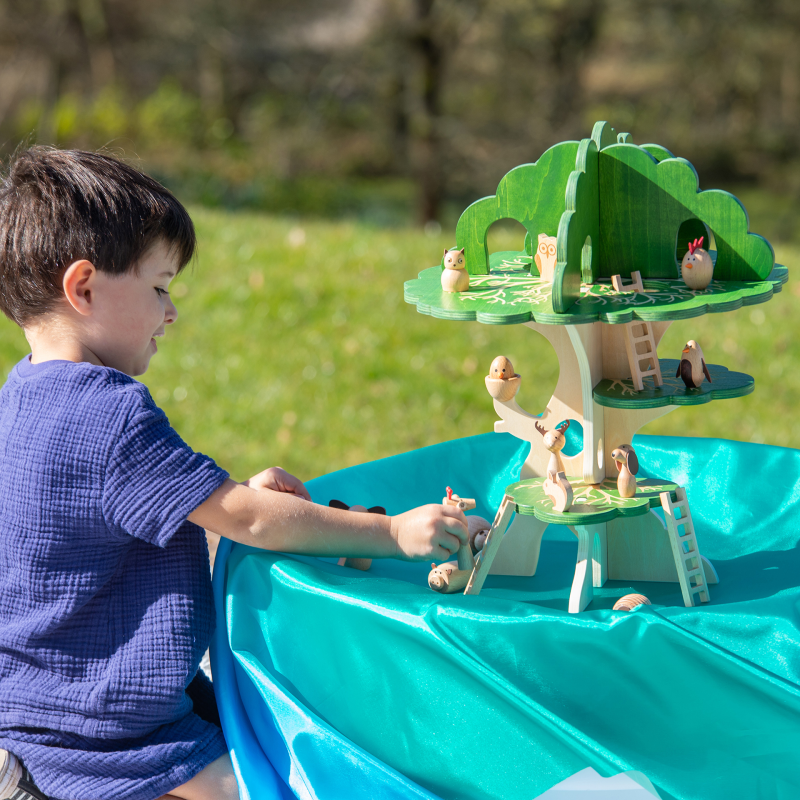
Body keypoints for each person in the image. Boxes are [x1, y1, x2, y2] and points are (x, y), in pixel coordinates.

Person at [0, 147, 469, 800]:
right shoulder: (107, 411)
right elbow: (246, 520)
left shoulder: (19, 397)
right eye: (159, 286)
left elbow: (135, 518)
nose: (171, 312)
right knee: (283, 784)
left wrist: (235, 497)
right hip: (114, 732)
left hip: (36, 712)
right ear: (83, 288)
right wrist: (394, 536)